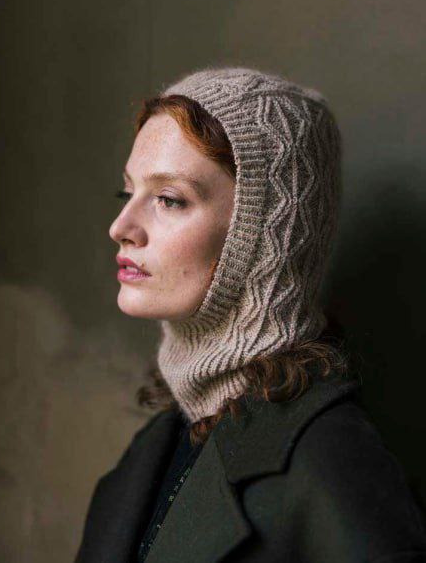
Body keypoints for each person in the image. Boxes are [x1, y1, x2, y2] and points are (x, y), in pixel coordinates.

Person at [74, 67, 426, 563]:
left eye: (169, 200)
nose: (121, 227)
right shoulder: (154, 448)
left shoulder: (329, 461)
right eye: (127, 193)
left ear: (261, 235)